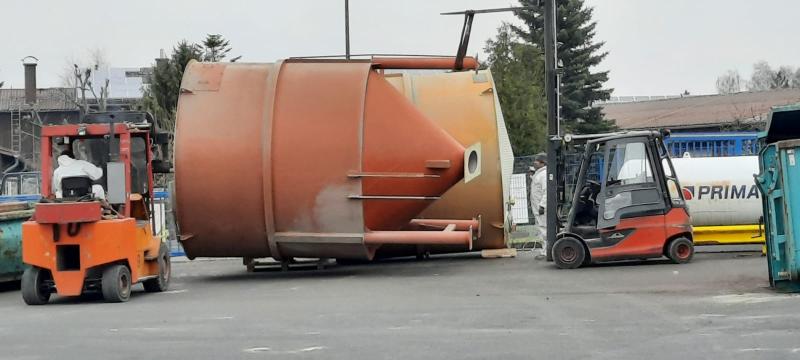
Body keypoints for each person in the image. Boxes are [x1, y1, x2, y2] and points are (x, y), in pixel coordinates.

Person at [529, 153, 548, 256]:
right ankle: (545, 250)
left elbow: (546, 191)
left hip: (541, 208)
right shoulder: (540, 173)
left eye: (536, 161)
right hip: (538, 207)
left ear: (542, 163)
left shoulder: (544, 174)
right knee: (541, 228)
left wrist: (542, 205)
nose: (534, 162)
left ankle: (545, 251)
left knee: (544, 228)